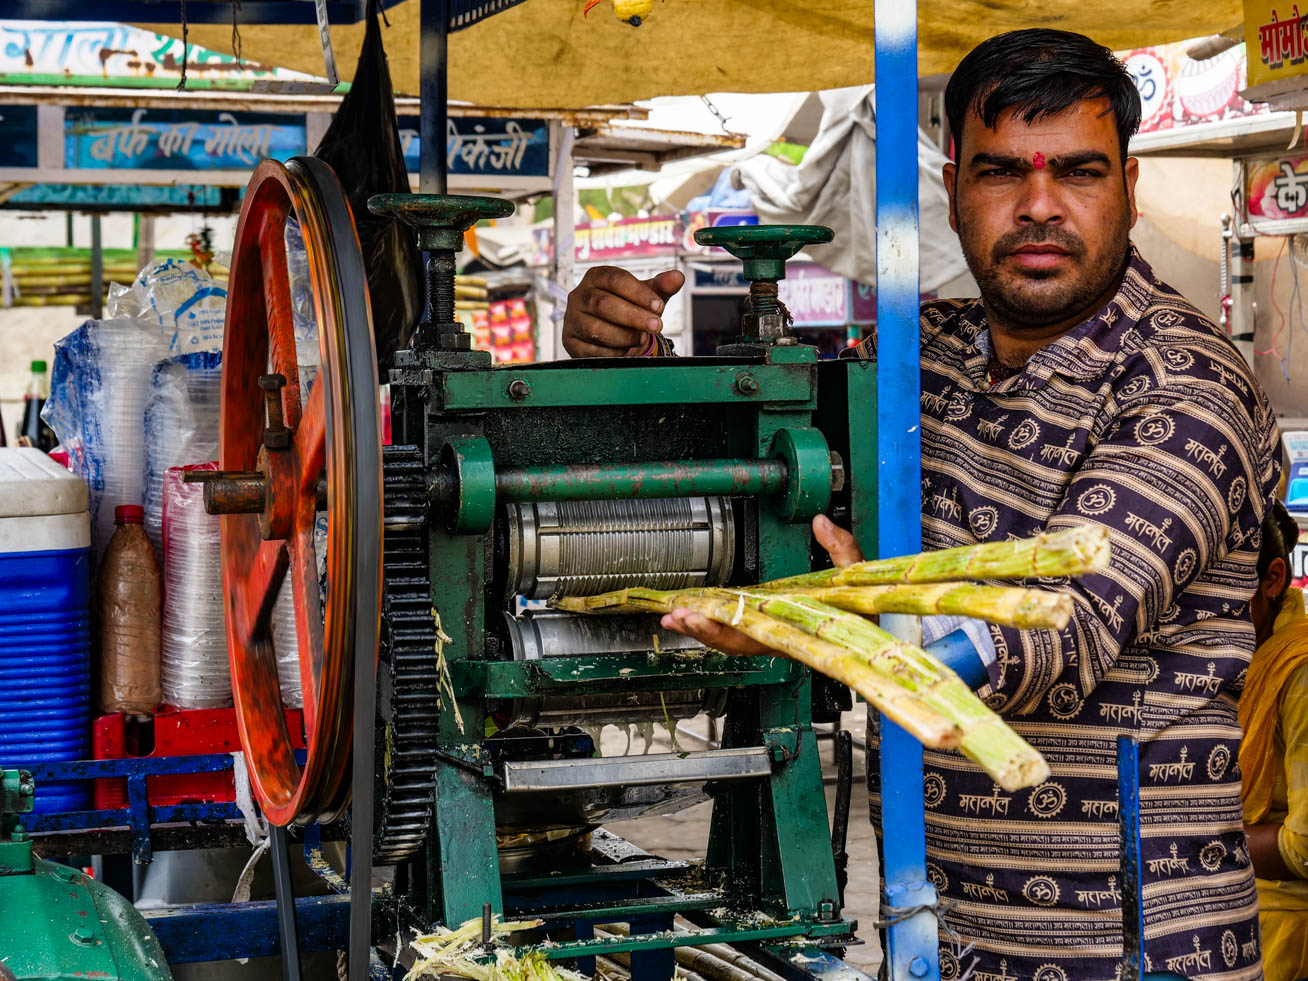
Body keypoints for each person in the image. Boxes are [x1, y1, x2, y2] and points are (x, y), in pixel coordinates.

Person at [562, 28, 1281, 981]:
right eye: (999, 173)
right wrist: (627, 362)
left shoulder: (1187, 383)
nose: (1038, 207)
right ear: (950, 187)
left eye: (1077, 172)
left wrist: (809, 623)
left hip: (1137, 946)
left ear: (1130, 189)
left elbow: (1058, 622)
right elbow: (753, 472)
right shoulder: (917, 362)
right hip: (938, 935)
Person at [1240, 501, 1308, 981]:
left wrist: (1194, 843)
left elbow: (1305, 846)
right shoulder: (1241, 657)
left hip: (1288, 935)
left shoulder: (1299, 669)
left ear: (1273, 579)